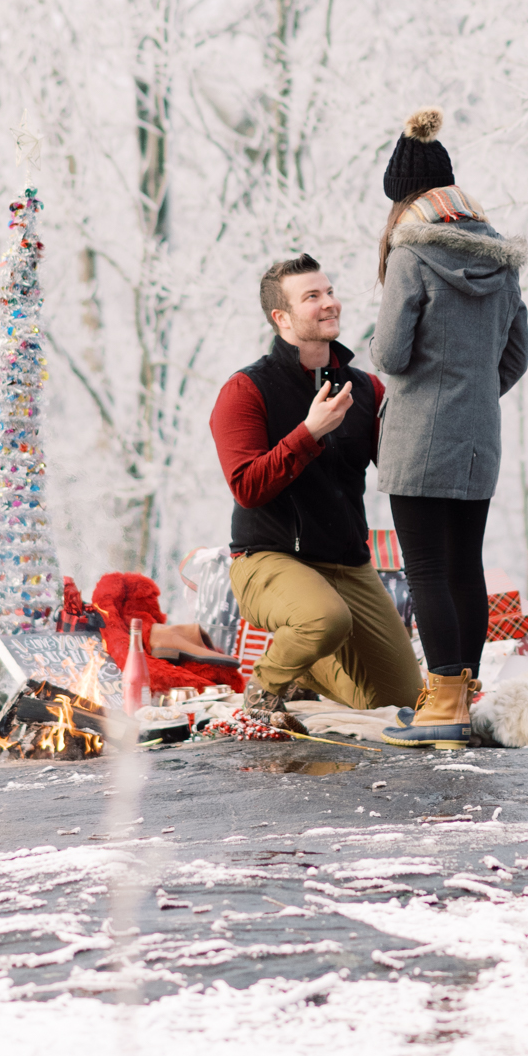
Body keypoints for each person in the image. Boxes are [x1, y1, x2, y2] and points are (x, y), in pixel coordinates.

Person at [209, 253, 423, 735]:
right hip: (269, 558)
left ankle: (306, 669)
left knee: (401, 703)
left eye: (329, 291)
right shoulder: (245, 390)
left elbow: (396, 469)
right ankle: (264, 687)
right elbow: (247, 486)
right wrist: (309, 432)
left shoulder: (365, 388)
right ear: (280, 318)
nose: (330, 303)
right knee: (324, 619)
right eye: (313, 297)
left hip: (348, 564)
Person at [371, 108, 528, 747]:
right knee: (466, 564)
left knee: (427, 568)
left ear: (405, 199)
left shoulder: (411, 254)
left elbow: (389, 354)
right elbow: (515, 358)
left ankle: (442, 706)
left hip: (417, 435)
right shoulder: (502, 260)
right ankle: (459, 695)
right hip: (479, 436)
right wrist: (470, 395)